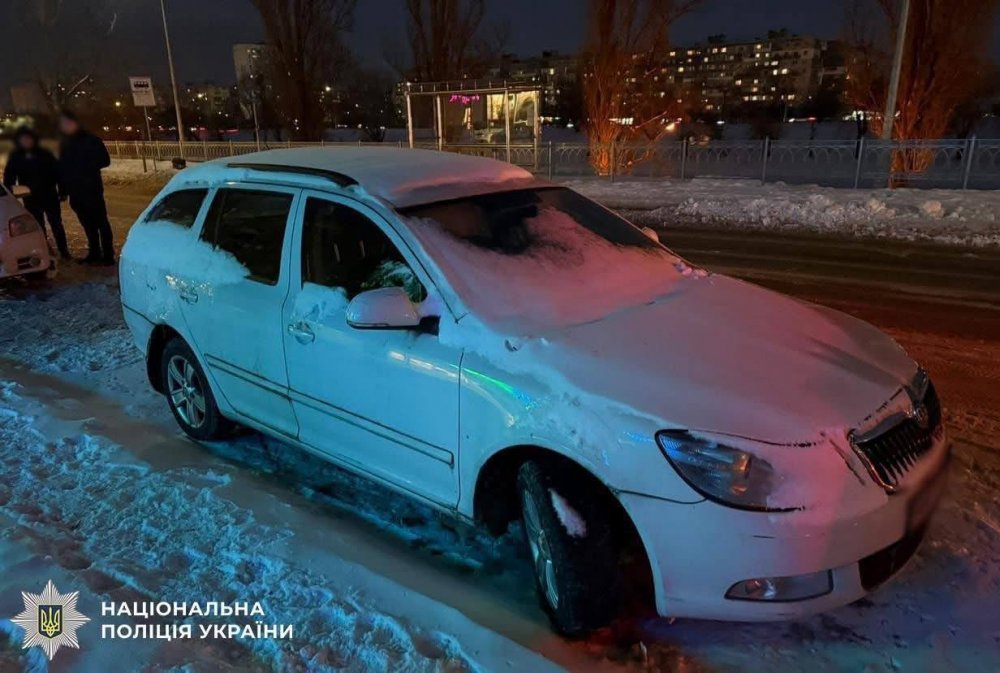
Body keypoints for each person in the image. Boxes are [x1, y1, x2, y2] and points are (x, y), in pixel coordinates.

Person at [3, 126, 71, 259]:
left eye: (28, 138)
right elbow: (9, 177)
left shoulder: (45, 154)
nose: (26, 141)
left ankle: (64, 251)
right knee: (38, 226)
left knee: (56, 224)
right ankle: (45, 250)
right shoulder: (16, 157)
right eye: (23, 139)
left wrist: (63, 190)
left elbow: (58, 173)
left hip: (50, 195)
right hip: (30, 197)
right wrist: (9, 194)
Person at [58, 110, 114, 265]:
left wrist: (85, 167)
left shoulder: (91, 140)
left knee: (101, 223)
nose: (66, 126)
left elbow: (105, 160)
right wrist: (63, 190)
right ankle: (94, 253)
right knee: (88, 225)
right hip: (75, 192)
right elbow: (61, 168)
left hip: (92, 189)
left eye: (69, 123)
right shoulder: (64, 144)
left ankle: (108, 255)